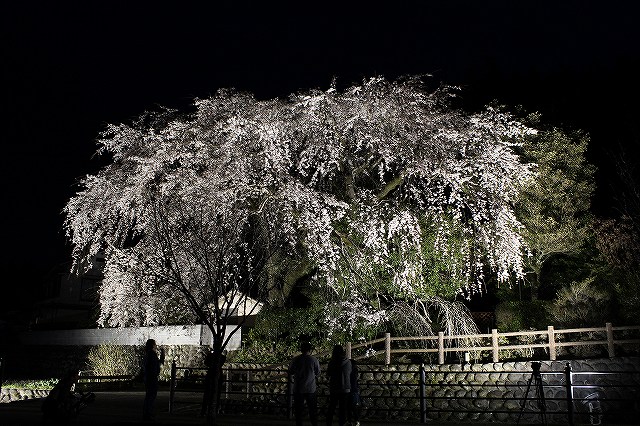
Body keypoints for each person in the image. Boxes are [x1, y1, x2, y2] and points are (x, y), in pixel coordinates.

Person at [289, 341, 321, 426]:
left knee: (298, 410)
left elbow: (290, 371)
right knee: (312, 410)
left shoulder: (296, 359)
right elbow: (318, 372)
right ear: (310, 350)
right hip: (310, 388)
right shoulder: (314, 360)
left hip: (299, 388)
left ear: (301, 349)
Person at [326, 345, 351, 426]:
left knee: (332, 407)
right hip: (346, 387)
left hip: (334, 387)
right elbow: (350, 372)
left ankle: (329, 423)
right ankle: (342, 423)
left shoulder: (332, 362)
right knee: (343, 409)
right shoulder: (348, 362)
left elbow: (328, 373)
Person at [143, 338, 165, 421]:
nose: (156, 346)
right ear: (152, 345)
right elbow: (157, 364)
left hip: (149, 378)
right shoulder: (151, 354)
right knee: (151, 396)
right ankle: (148, 414)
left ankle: (147, 413)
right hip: (151, 378)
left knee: (149, 396)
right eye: (155, 344)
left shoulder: (148, 354)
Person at [201, 347, 227, 417]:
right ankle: (214, 411)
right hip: (217, 375)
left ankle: (204, 411)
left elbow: (206, 362)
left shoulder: (211, 356)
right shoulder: (221, 357)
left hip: (211, 374)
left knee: (207, 394)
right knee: (216, 394)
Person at [347, 358, 361, 426]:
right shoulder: (355, 370)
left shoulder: (349, 370)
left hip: (349, 389)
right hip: (354, 389)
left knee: (349, 406)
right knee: (353, 406)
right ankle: (356, 420)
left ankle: (350, 421)